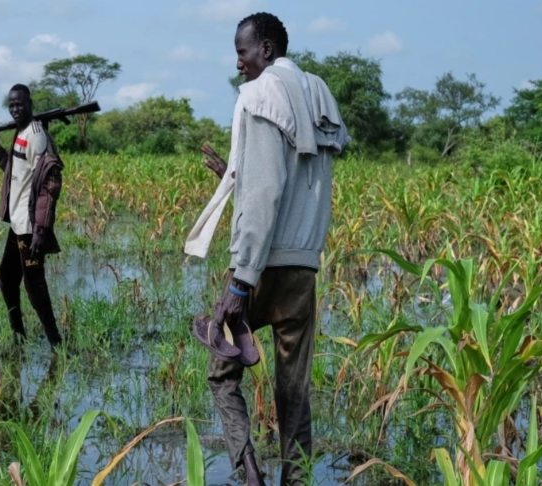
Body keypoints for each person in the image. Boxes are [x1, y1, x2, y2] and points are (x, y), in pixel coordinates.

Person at [188, 12, 349, 485]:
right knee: (294, 389)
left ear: (266, 49)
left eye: (242, 52)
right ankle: (296, 480)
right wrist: (233, 177)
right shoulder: (317, 94)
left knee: (221, 372)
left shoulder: (260, 95)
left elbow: (265, 193)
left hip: (259, 267)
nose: (238, 63)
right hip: (302, 269)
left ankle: (250, 475)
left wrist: (241, 280)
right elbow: (294, 181)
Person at [0, 84, 63, 348]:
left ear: (30, 104)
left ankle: (57, 345)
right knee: (7, 278)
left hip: (30, 227)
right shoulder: (21, 133)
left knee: (34, 286)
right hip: (18, 223)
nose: (16, 109)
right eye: (12, 105)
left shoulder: (37, 137)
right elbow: (14, 171)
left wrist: (41, 229)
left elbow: (49, 184)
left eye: (20, 104)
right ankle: (18, 337)